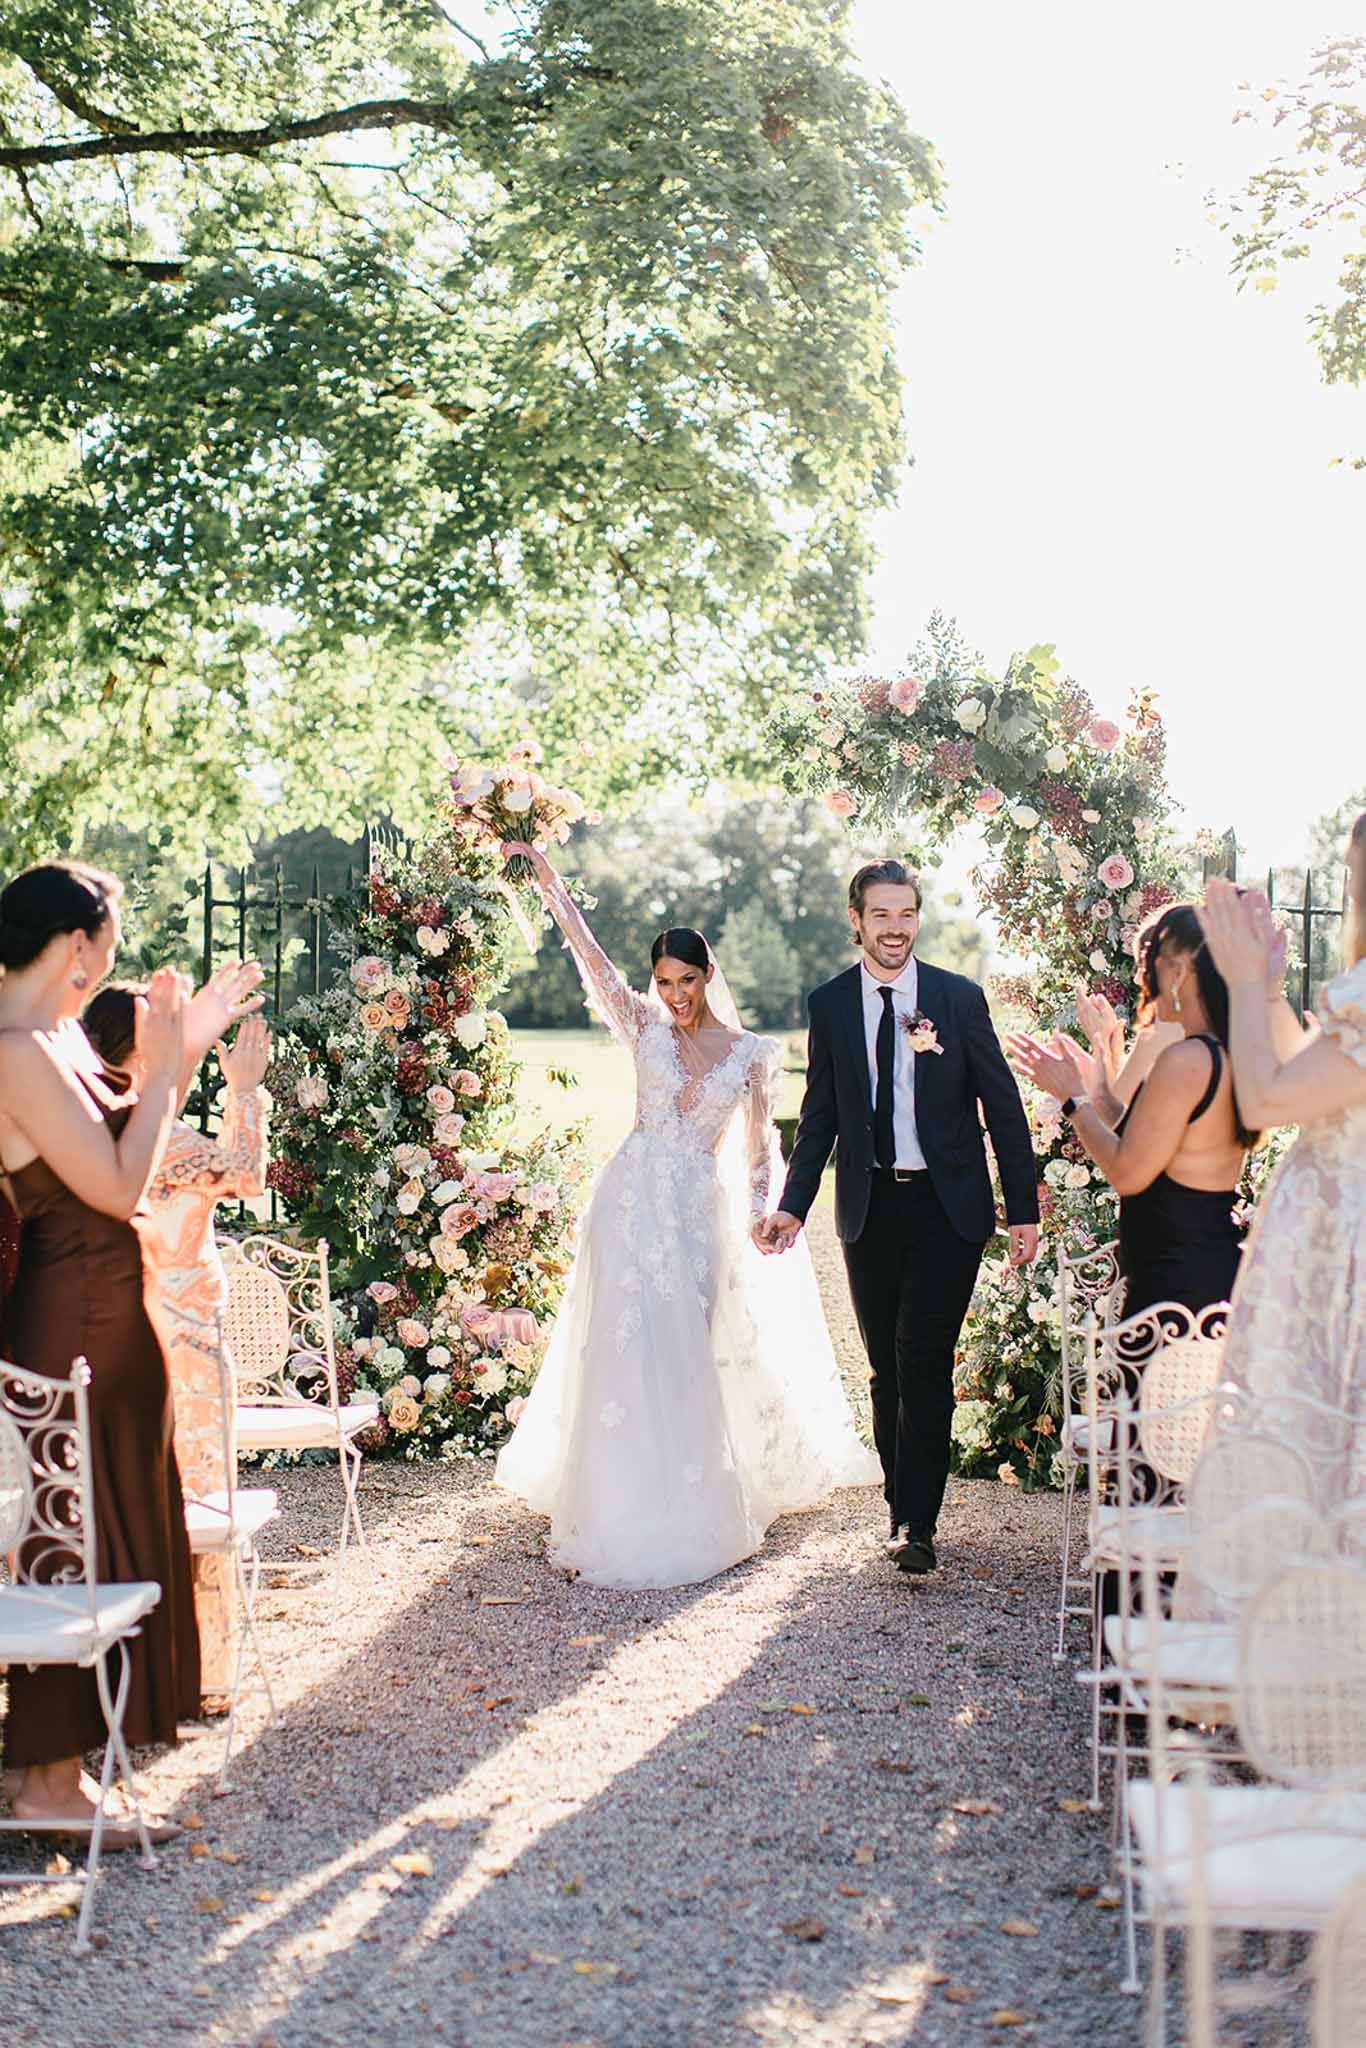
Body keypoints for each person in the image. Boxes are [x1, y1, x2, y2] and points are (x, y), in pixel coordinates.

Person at [494, 842, 880, 1589]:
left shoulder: (750, 1055)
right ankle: (616, 1494)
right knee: (622, 1339)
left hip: (698, 1209)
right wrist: (547, 879)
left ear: (709, 976)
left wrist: (767, 1214)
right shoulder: (641, 1026)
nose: (674, 994)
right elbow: (589, 956)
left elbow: (761, 1148)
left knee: (687, 1344)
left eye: (687, 979)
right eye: (664, 981)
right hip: (629, 1200)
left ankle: (692, 1486)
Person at [0, 860, 261, 1840]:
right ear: (78, 944)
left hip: (113, 1311)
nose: (108, 960)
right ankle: (46, 1782)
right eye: (107, 942)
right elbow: (115, 1186)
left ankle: (65, 1770)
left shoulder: (57, 1038)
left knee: (101, 1533)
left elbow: (138, 1158)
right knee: (70, 1539)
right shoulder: (15, 1047)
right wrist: (167, 1074)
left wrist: (178, 1058)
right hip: (70, 1320)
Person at [756, 859, 1039, 1578]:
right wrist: (792, 1206)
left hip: (950, 1208)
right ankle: (899, 1503)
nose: (894, 928)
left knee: (922, 1356)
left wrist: (1024, 1211)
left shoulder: (957, 997)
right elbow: (819, 1116)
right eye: (881, 915)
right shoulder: (830, 1005)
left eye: (906, 914)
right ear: (856, 920)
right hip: (870, 1206)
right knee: (885, 1367)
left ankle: (918, 1521)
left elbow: (1002, 1109)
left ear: (919, 917)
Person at [83, 986, 272, 1700]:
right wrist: (246, 1094)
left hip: (113, 1338)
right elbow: (249, 1175)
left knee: (123, 1505)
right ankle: (201, 1678)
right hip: (187, 1348)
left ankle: (127, 1678)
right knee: (202, 1507)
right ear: (139, 1051)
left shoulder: (89, 1129)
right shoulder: (165, 1138)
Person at [1008, 901, 1274, 1320]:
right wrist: (1097, 1090)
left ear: (1180, 971)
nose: (1141, 979)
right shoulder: (1228, 1053)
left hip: (1176, 1290)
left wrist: (1072, 1098)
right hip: (1206, 1274)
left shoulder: (1186, 1059)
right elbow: (1154, 1142)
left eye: (1150, 966)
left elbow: (1128, 1172)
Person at [1203, 815, 1366, 1481]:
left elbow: (1267, 1102)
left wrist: (1240, 982)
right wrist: (1269, 992)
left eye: (1356, 879)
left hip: (1346, 1264)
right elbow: (1309, 1079)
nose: (1354, 893)